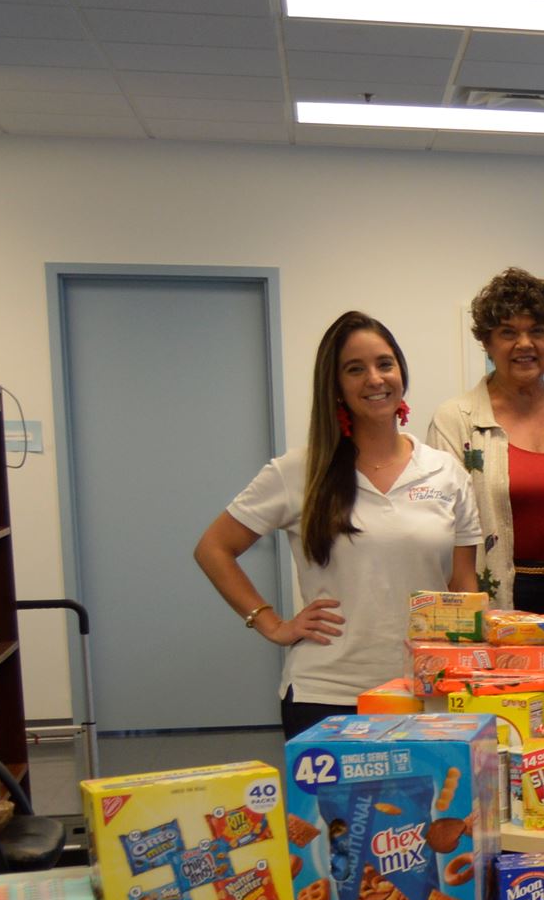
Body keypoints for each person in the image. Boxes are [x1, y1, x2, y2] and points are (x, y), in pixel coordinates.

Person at [196, 310, 479, 739]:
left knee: (433, 808)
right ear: (335, 386)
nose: (374, 378)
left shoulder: (445, 472)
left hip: (427, 691)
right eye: (355, 369)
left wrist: (471, 663)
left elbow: (463, 582)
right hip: (327, 692)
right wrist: (270, 622)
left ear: (401, 371)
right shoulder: (299, 471)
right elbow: (213, 549)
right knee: (336, 812)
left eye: (385, 363)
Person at [427, 267, 544, 614]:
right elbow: (440, 526)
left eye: (537, 331)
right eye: (508, 333)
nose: (525, 344)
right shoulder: (456, 420)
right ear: (487, 343)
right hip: (494, 595)